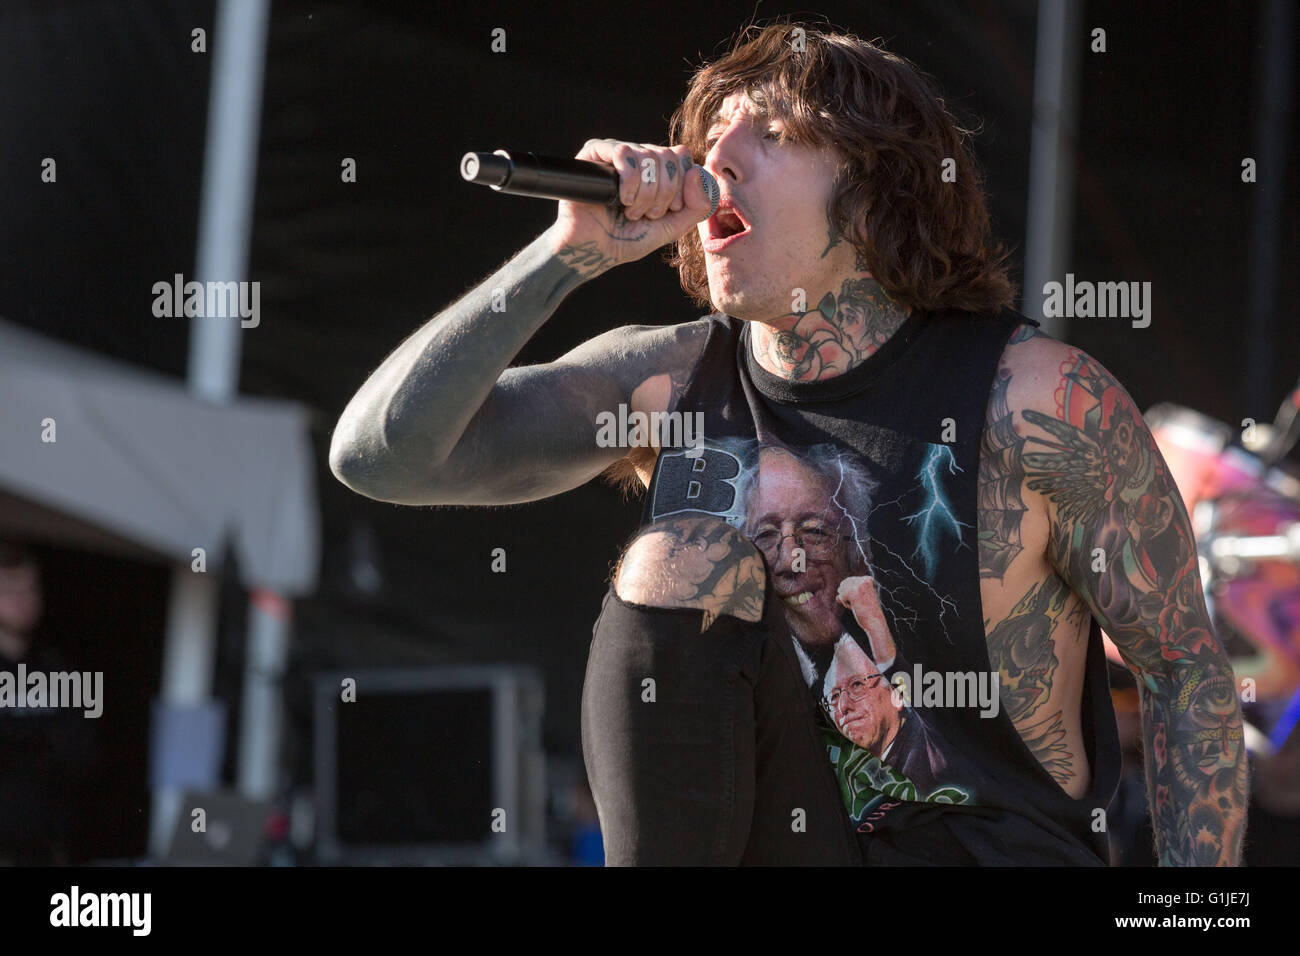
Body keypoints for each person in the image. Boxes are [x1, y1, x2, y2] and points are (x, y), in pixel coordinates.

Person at [330, 21, 1247, 865]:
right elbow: (382, 456)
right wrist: (566, 253)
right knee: (678, 559)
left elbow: (1184, 675)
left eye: (769, 135)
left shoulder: (1037, 396)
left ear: (875, 185)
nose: (716, 158)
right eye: (710, 137)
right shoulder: (666, 385)